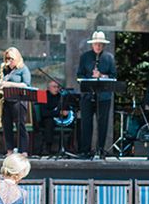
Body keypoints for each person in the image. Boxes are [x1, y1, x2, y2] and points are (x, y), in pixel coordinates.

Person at [77, 30, 117, 158]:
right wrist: (90, 77)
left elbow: (114, 76)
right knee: (86, 123)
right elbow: (79, 75)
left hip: (104, 96)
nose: (98, 46)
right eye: (96, 44)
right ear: (92, 45)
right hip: (88, 95)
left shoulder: (109, 58)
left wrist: (102, 76)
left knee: (102, 123)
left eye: (100, 44)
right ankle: (85, 150)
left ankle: (100, 150)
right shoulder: (85, 57)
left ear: (103, 45)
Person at [0, 47, 31, 154]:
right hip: (7, 101)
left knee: (20, 126)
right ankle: (9, 150)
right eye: (7, 58)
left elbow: (26, 84)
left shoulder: (23, 69)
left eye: (11, 58)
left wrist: (9, 84)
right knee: (6, 126)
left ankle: (23, 151)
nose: (9, 61)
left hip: (19, 102)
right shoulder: (5, 69)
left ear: (17, 58)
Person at [35, 80, 69, 156]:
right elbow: (44, 113)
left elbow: (66, 108)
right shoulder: (42, 95)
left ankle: (66, 149)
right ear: (48, 88)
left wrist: (66, 113)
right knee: (49, 122)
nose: (56, 89)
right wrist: (58, 113)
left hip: (60, 119)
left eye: (58, 87)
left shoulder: (61, 96)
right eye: (54, 87)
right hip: (46, 120)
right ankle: (47, 148)